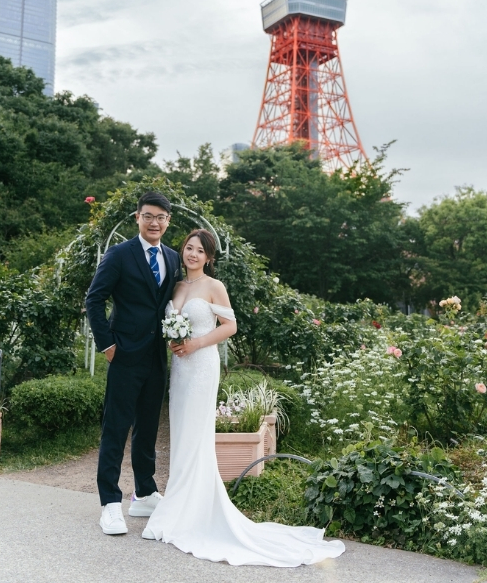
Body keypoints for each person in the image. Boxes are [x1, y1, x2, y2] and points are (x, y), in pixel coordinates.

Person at [139, 228, 345, 566]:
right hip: (181, 368)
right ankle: (179, 503)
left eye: (200, 251)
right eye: (188, 248)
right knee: (182, 435)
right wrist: (175, 342)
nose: (192, 254)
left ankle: (184, 512)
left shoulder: (213, 286)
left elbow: (229, 326)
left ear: (208, 257)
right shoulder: (175, 287)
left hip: (202, 365)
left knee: (196, 433)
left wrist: (195, 343)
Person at [87, 191, 180, 536]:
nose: (155, 223)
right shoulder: (119, 254)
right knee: (116, 428)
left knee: (148, 428)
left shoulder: (172, 257)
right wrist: (108, 344)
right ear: (138, 218)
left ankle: (143, 491)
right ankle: (110, 503)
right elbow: (94, 299)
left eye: (161, 217)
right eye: (149, 216)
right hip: (124, 354)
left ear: (168, 222)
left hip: (157, 356)